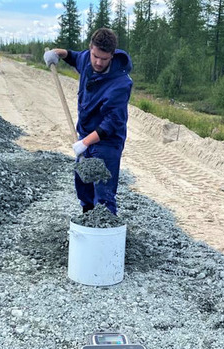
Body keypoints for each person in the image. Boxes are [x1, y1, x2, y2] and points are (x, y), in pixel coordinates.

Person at [44, 28, 133, 215]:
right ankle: (88, 223)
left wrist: (84, 143)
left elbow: (112, 122)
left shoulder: (121, 83)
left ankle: (106, 236)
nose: (98, 62)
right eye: (95, 56)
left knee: (103, 194)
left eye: (104, 58)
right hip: (85, 135)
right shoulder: (86, 59)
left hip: (106, 142)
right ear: (90, 48)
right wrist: (57, 53)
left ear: (112, 55)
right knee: (83, 186)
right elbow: (74, 57)